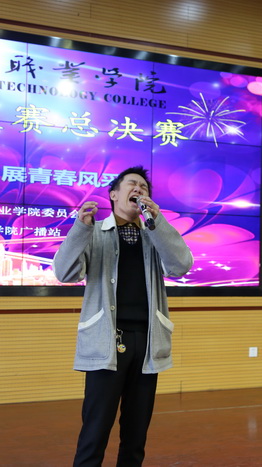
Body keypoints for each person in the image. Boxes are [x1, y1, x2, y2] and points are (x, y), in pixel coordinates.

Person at [53, 165, 193, 467]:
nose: (139, 189)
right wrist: (80, 228)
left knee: (136, 432)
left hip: (148, 343)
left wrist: (157, 222)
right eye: (132, 184)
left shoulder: (154, 236)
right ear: (114, 194)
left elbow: (181, 265)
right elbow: (64, 273)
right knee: (95, 429)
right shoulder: (94, 232)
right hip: (106, 341)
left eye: (144, 187)